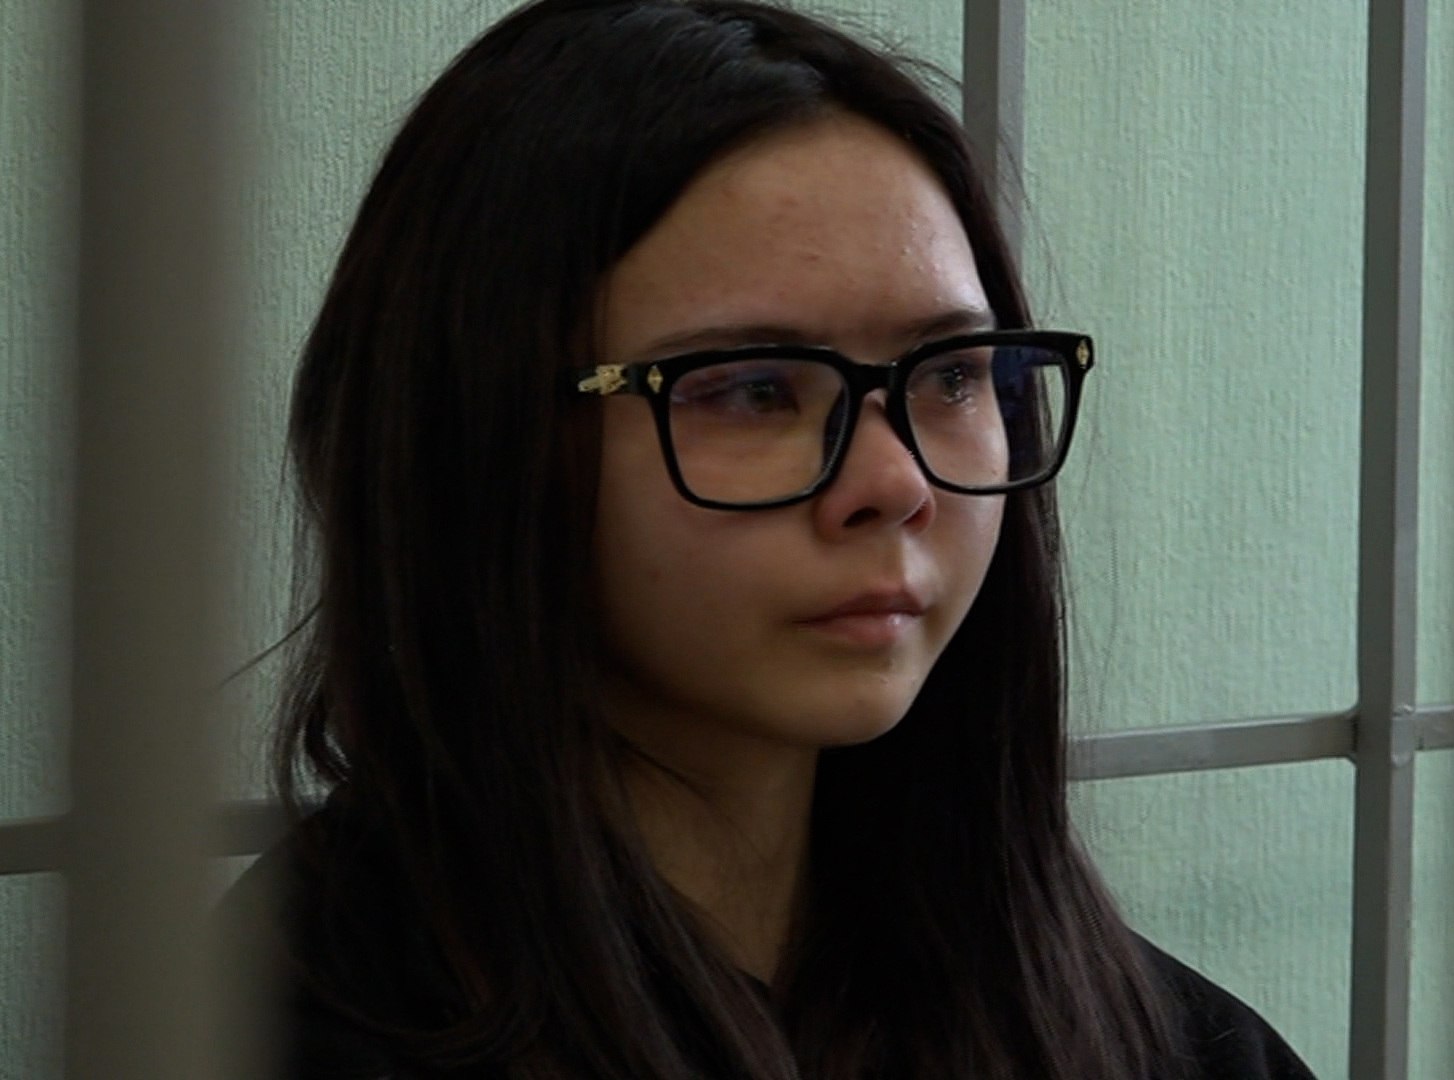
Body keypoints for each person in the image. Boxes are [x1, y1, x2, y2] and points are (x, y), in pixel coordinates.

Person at [221, 2, 1320, 1077]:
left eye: (949, 376)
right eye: (753, 390)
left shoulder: (1163, 1041)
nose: (894, 483)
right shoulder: (264, 1025)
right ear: (477, 433)